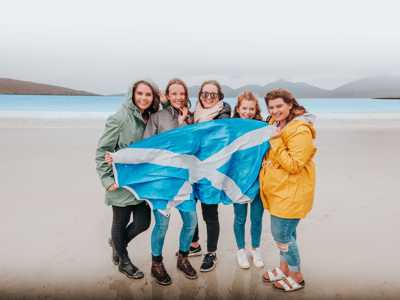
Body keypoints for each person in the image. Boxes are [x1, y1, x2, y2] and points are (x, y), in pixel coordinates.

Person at [95, 80, 160, 279]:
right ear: (132, 94)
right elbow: (101, 152)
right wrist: (107, 181)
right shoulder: (119, 118)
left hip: (141, 183)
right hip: (120, 182)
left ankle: (117, 243)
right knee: (120, 222)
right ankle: (123, 260)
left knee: (143, 223)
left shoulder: (151, 117)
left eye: (148, 94)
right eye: (139, 93)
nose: (143, 98)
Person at [259, 89, 316, 292]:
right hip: (278, 191)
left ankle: (296, 275)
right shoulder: (275, 124)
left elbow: (294, 165)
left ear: (290, 105)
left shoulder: (301, 129)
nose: (275, 110)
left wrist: (275, 140)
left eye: (279, 106)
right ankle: (284, 268)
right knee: (287, 234)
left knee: (281, 236)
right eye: (271, 107)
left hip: (291, 193)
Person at [143, 79, 198, 286]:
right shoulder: (156, 117)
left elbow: (193, 147)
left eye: (182, 93)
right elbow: (147, 147)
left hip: (184, 180)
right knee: (162, 225)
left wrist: (186, 123)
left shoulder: (190, 118)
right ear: (167, 95)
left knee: (191, 222)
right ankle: (156, 264)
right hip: (162, 182)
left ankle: (183, 258)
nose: (178, 97)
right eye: (174, 93)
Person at [190, 80, 231, 272]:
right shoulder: (192, 114)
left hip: (211, 172)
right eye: (204, 93)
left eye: (213, 95)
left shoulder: (223, 114)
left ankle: (211, 253)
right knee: (189, 210)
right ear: (199, 95)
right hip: (191, 169)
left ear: (219, 97)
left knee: (209, 214)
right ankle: (194, 244)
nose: (208, 97)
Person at [232, 91, 265, 269]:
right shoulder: (232, 128)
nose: (248, 111)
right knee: (240, 218)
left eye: (251, 108)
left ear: (256, 109)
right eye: (244, 108)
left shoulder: (262, 126)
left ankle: (256, 249)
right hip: (238, 182)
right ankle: (241, 250)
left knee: (257, 218)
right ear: (238, 109)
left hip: (258, 180)